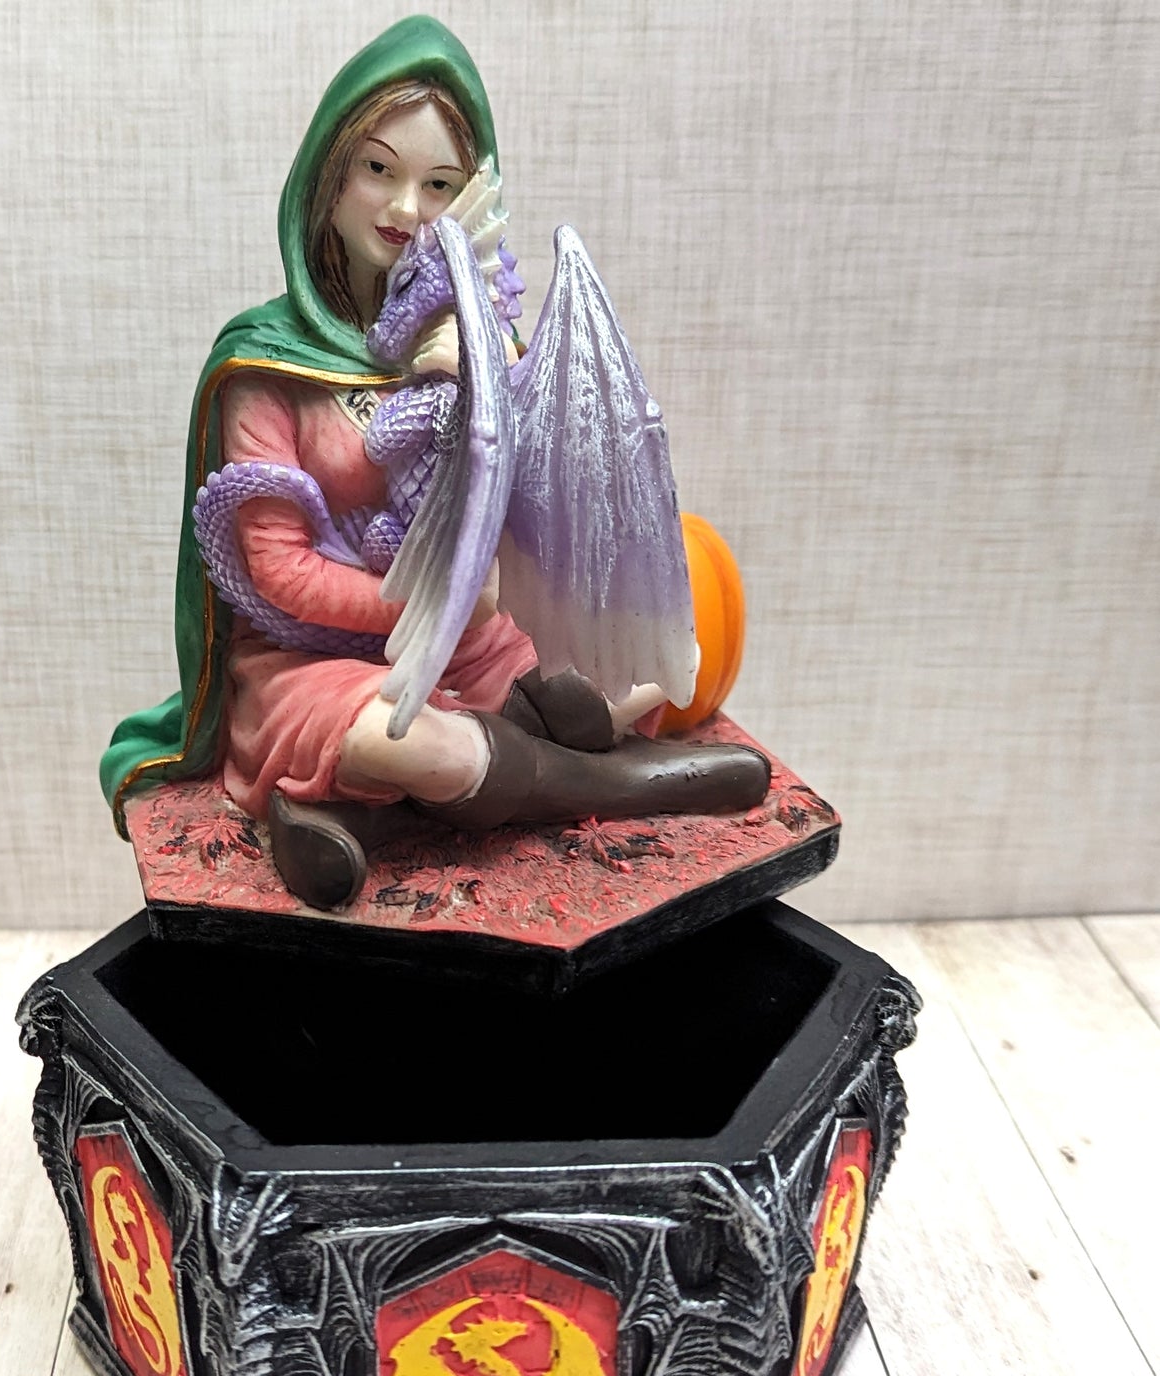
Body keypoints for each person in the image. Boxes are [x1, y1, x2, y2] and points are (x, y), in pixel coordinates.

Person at [100, 17, 767, 909]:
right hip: (307, 657)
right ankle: (613, 785)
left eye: (439, 184)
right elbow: (275, 569)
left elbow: (525, 511)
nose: (405, 208)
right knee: (418, 741)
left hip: (467, 637)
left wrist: (478, 385)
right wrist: (428, 602)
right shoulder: (264, 367)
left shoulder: (475, 337)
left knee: (603, 684)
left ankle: (348, 815)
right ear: (327, 174)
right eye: (378, 169)